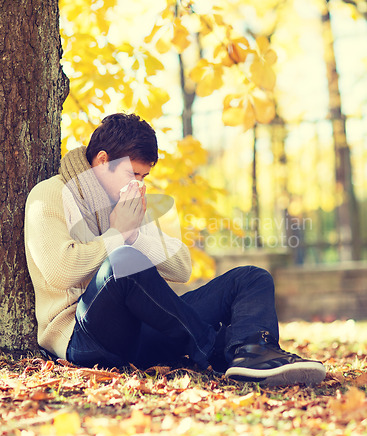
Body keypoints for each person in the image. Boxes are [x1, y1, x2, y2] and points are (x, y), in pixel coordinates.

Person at [24, 113, 326, 386]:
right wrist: (120, 235)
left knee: (251, 278)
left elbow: (181, 268)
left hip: (142, 335)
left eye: (144, 177)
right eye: (133, 175)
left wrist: (136, 232)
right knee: (124, 262)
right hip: (84, 338)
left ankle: (255, 351)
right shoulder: (49, 194)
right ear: (103, 161)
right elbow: (59, 270)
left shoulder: (128, 202)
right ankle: (214, 349)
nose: (140, 185)